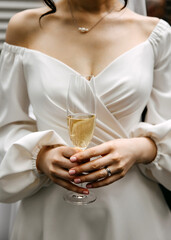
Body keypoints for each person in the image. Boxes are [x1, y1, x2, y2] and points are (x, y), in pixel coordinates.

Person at [0, 0, 171, 239]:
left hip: (132, 211)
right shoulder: (25, 27)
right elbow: (7, 124)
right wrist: (41, 157)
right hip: (50, 208)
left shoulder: (155, 34)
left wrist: (140, 148)